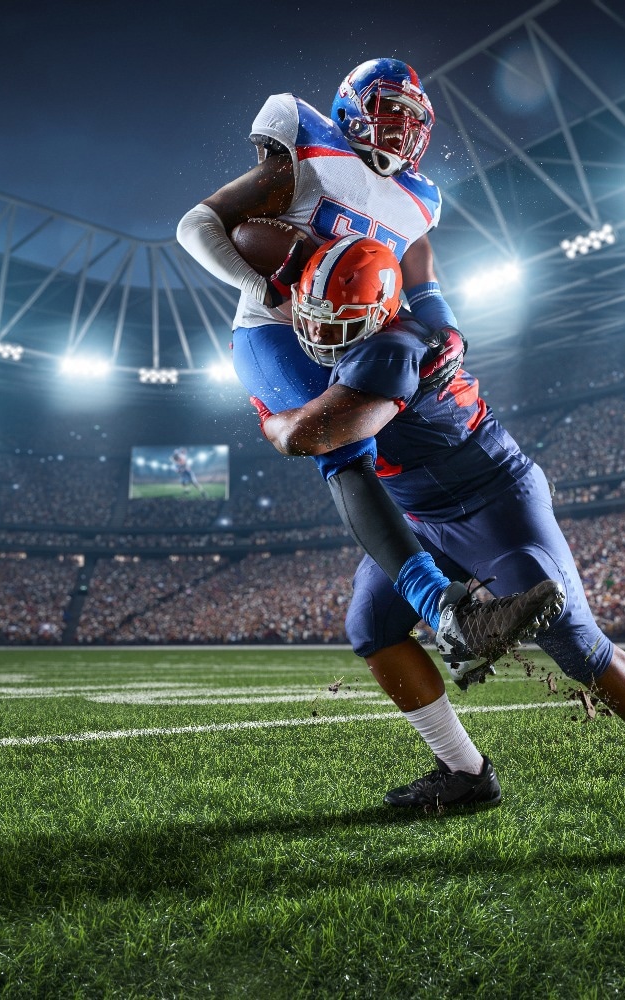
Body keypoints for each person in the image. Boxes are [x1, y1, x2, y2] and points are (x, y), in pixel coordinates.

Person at [259, 233, 625, 862]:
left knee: (572, 638)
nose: (320, 334)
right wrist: (391, 222)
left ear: (378, 314)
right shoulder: (420, 311)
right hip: (421, 512)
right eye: (316, 316)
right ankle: (464, 772)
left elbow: (321, 435)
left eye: (338, 321)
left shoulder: (392, 351)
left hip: (493, 500)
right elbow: (422, 258)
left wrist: (271, 415)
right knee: (371, 626)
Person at [176, 57, 558, 674]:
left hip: (360, 327)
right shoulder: (308, 143)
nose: (403, 129)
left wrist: (446, 326)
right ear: (353, 104)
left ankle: (449, 615)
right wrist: (270, 290)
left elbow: (419, 269)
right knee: (343, 454)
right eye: (391, 110)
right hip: (275, 331)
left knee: (383, 448)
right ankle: (448, 613)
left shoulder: (419, 198)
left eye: (414, 119)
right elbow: (198, 225)